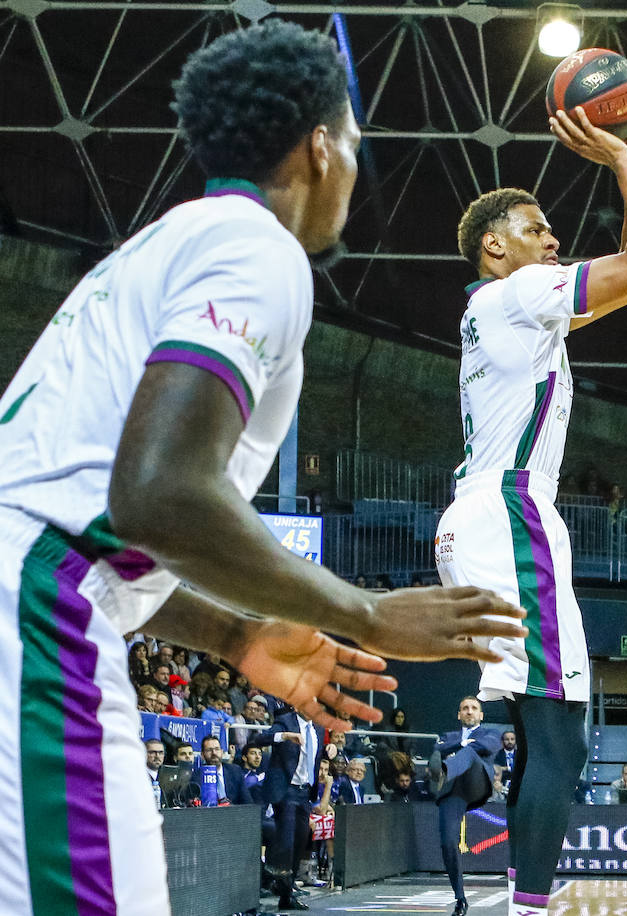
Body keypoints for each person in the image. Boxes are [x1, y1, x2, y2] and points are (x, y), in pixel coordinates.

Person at [0, 21, 529, 916]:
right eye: (356, 146)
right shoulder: (256, 247)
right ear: (321, 148)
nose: (356, 172)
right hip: (35, 623)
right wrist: (359, 609)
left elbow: (97, 523)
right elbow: (158, 493)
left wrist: (237, 637)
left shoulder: (160, 247)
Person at [430, 83, 627, 916]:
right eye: (537, 230)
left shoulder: (506, 309)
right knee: (565, 741)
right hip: (510, 512)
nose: (554, 239)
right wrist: (615, 156)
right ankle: (528, 908)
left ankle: (520, 902)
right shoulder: (517, 294)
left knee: (546, 736)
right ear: (495, 247)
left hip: (490, 512)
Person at [431, 696, 501, 916]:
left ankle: (446, 771)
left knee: (470, 753)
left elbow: (488, 746)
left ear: (480, 714)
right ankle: (460, 898)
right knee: (448, 842)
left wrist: (462, 747)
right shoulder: (448, 736)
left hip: (477, 782)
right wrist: (462, 742)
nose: (469, 712)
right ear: (459, 714)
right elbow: (437, 747)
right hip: (453, 791)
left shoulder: (491, 733)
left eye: (474, 708)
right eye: (465, 708)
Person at [262, 705, 326, 910]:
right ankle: (272, 879)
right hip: (286, 790)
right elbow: (261, 739)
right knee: (287, 840)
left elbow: (315, 756)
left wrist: (329, 750)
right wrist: (284, 736)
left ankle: (286, 895)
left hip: (304, 792)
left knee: (300, 840)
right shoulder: (286, 721)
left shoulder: (319, 728)